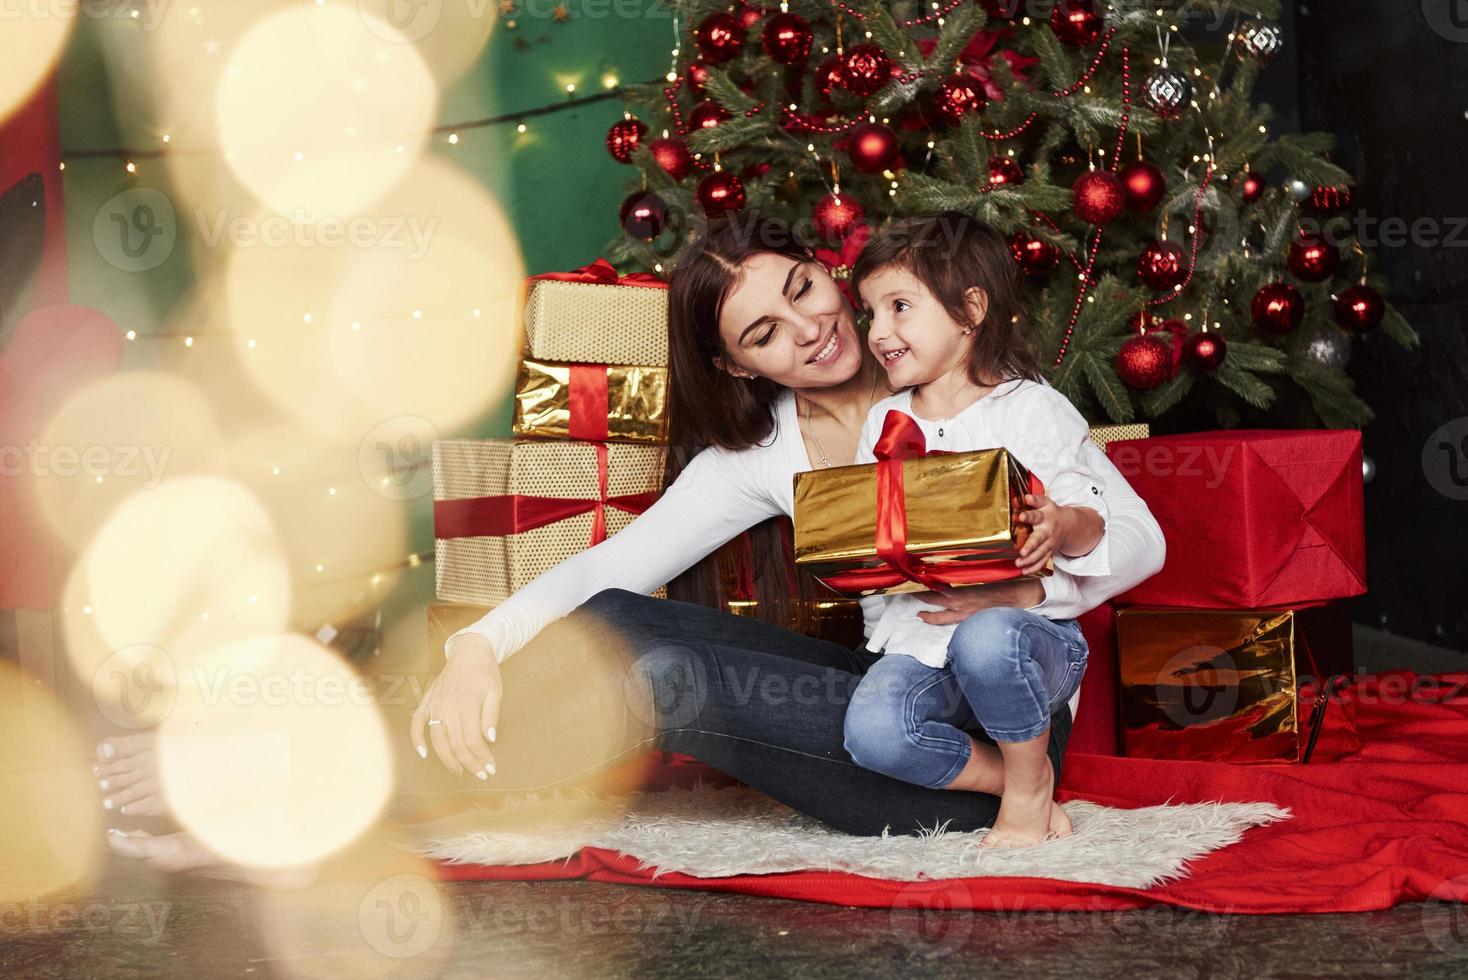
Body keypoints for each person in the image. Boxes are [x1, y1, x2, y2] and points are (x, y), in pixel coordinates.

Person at [97, 215, 1164, 872]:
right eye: (763, 333)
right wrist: (477, 647)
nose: (812, 330)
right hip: (892, 697)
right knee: (605, 621)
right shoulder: (768, 452)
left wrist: (1039, 553)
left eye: (801, 288)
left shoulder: (975, 390)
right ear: (743, 368)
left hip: (992, 736)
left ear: (826, 270)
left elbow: (1139, 542)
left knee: (657, 672)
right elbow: (612, 565)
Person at [840, 212, 1118, 848]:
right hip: (921, 641)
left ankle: (1023, 795)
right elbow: (871, 541)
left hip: (1027, 647)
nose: (878, 332)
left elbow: (1090, 516)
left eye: (899, 307)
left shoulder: (1029, 407)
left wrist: (1061, 524)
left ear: (969, 310)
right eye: (871, 312)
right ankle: (1021, 778)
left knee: (988, 638)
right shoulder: (883, 419)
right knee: (874, 734)